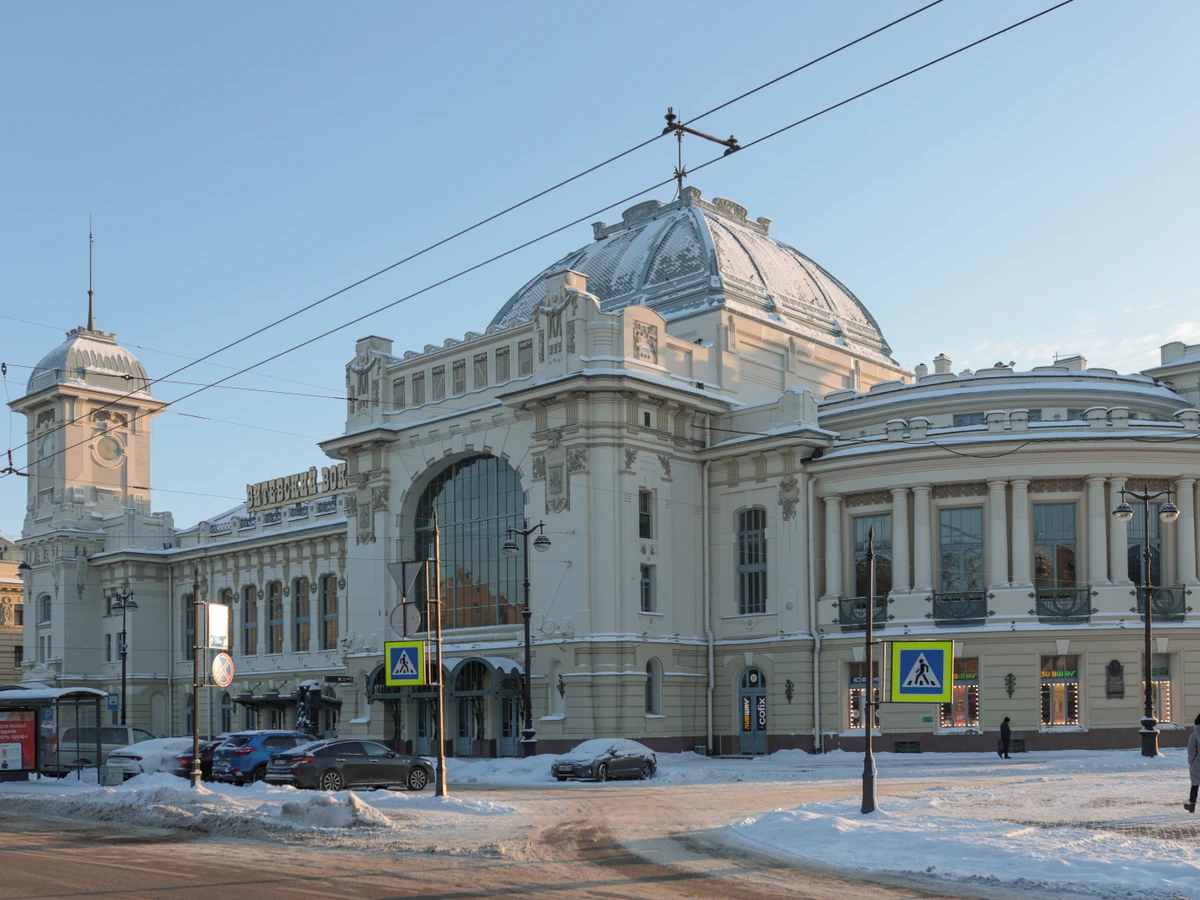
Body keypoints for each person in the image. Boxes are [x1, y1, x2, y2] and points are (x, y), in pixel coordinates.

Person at [1185, 713, 1200, 813]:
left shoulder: (1194, 736)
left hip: (1197, 764)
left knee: (1195, 785)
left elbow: (1191, 752)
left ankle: (1191, 805)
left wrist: (1191, 763)